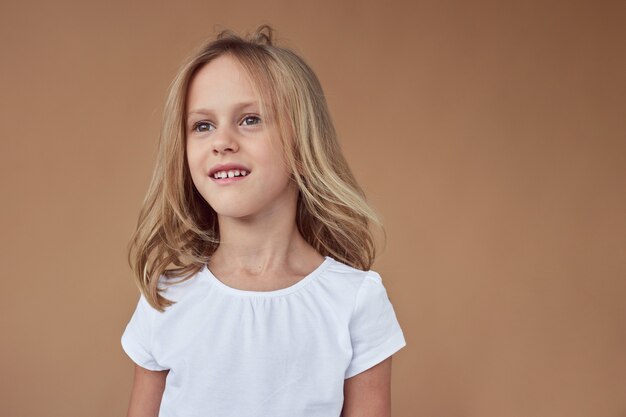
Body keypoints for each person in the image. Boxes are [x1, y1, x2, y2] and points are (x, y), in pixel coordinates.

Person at [121, 25, 407, 417]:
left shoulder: (354, 301)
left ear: (302, 140)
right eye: (202, 125)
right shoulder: (167, 297)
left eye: (250, 119)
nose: (222, 141)